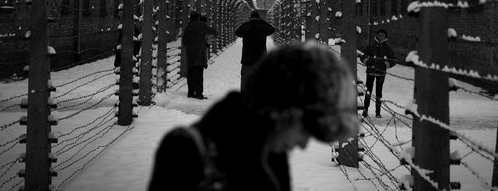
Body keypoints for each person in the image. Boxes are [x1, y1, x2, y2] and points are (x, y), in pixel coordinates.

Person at [148, 41, 359, 191]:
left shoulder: (271, 153)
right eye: (305, 129)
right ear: (281, 111)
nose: (303, 144)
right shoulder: (184, 150)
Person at [360, 28, 396, 118]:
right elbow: (362, 55)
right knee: (368, 91)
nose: (381, 37)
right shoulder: (370, 47)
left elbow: (393, 60)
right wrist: (366, 61)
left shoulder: (388, 49)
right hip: (371, 72)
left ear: (385, 37)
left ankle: (378, 112)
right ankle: (365, 110)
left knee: (379, 93)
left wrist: (387, 64)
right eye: (379, 35)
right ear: (377, 36)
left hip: (381, 73)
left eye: (383, 35)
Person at [235, 10, 275, 91]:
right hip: (261, 58)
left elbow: (237, 32)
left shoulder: (247, 26)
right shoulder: (262, 27)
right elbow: (272, 29)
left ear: (250, 18)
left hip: (247, 58)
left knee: (245, 79)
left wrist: (247, 22)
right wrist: (262, 21)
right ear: (258, 18)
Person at [182, 11, 217, 99]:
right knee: (198, 74)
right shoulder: (202, 25)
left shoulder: (187, 27)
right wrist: (207, 40)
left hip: (190, 54)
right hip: (200, 54)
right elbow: (215, 32)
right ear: (198, 18)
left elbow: (184, 42)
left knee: (190, 73)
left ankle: (190, 92)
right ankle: (198, 93)